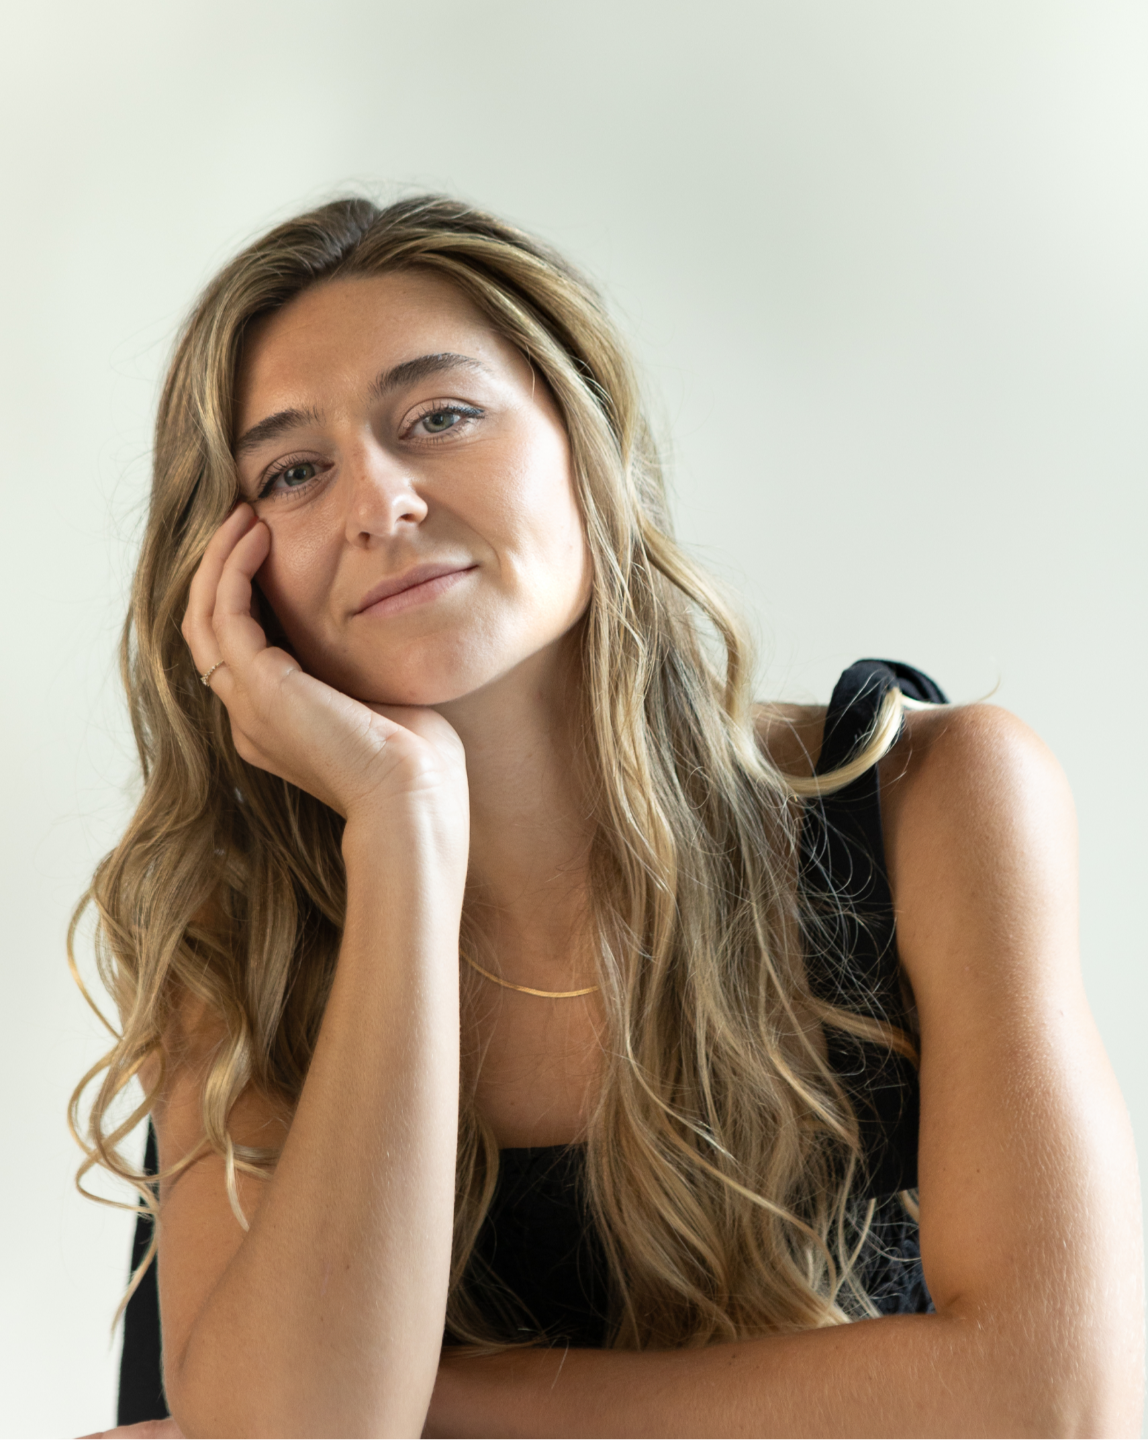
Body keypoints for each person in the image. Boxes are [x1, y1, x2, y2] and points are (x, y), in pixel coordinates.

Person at [70, 194, 1143, 1440]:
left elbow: (1056, 1401)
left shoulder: (924, 798)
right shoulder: (234, 919)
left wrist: (422, 1399)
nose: (379, 502)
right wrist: (404, 828)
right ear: (230, 569)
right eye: (293, 472)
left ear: (582, 437)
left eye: (440, 416)